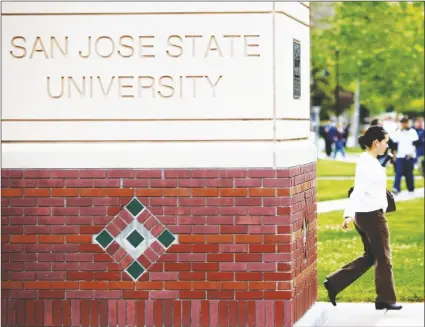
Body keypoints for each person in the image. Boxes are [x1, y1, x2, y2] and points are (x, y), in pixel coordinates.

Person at [323, 126, 402, 311]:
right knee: (383, 258)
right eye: (385, 142)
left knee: (371, 255)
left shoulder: (368, 161)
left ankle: (334, 282)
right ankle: (386, 299)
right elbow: (357, 191)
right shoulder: (368, 165)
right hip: (372, 216)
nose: (387, 145)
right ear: (376, 143)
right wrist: (347, 214)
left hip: (364, 215)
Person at [391, 117, 419, 194]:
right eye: (402, 123)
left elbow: (415, 144)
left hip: (409, 156)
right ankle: (396, 188)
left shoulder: (412, 132)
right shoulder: (398, 132)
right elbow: (394, 145)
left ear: (408, 123)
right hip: (400, 155)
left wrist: (412, 153)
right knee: (398, 172)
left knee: (409, 173)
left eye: (405, 122)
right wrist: (394, 156)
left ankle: (410, 188)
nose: (404, 124)